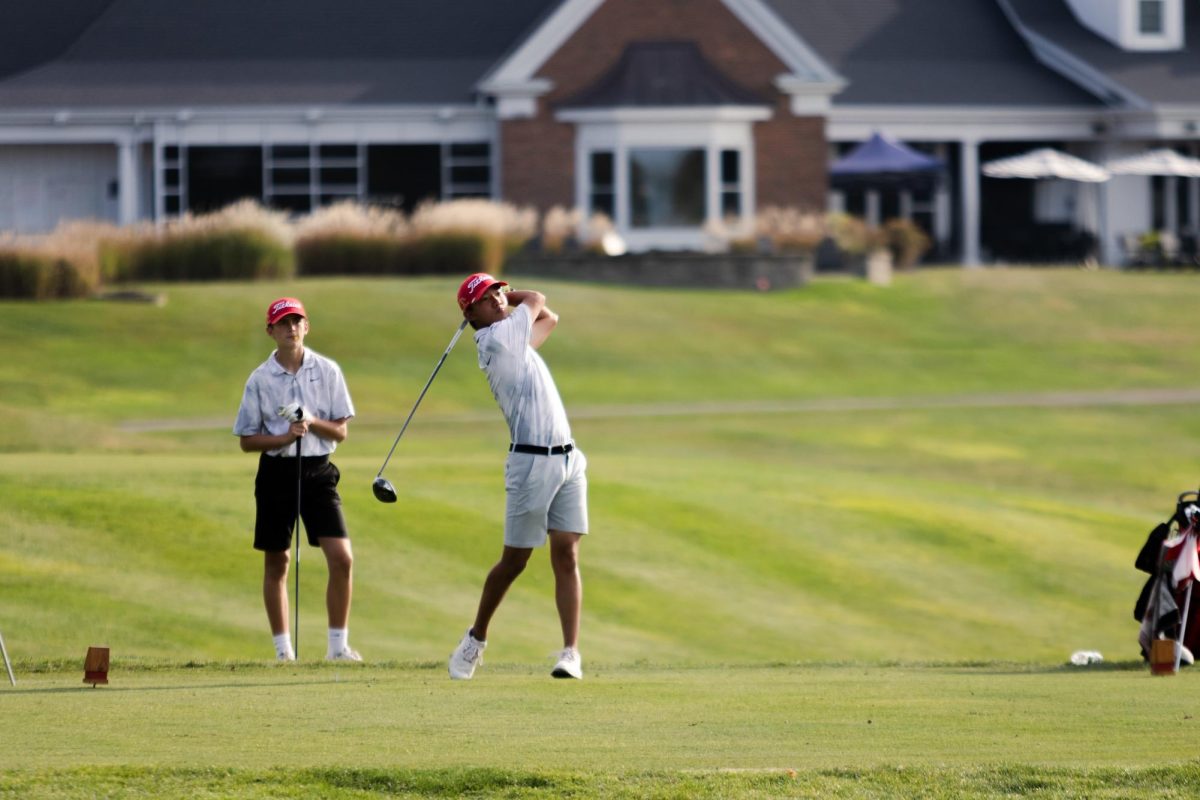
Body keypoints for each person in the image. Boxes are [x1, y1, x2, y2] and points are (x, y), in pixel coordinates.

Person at [448, 273, 589, 680]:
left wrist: (498, 297)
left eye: (497, 291)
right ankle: (476, 639)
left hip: (568, 459)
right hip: (530, 464)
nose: (495, 298)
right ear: (470, 313)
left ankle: (570, 653)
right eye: (484, 296)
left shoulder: (513, 338)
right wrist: (510, 295)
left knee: (566, 553)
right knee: (515, 562)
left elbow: (552, 317)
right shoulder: (496, 339)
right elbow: (539, 298)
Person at [233, 297, 361, 662]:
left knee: (342, 558)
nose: (291, 328)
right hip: (276, 472)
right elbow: (247, 440)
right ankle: (283, 652)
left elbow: (340, 432)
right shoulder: (259, 379)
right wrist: (285, 438)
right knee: (278, 562)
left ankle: (337, 648)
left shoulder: (328, 370)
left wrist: (310, 420)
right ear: (270, 331)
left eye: (297, 321)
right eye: (283, 323)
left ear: (306, 327)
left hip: (318, 471)